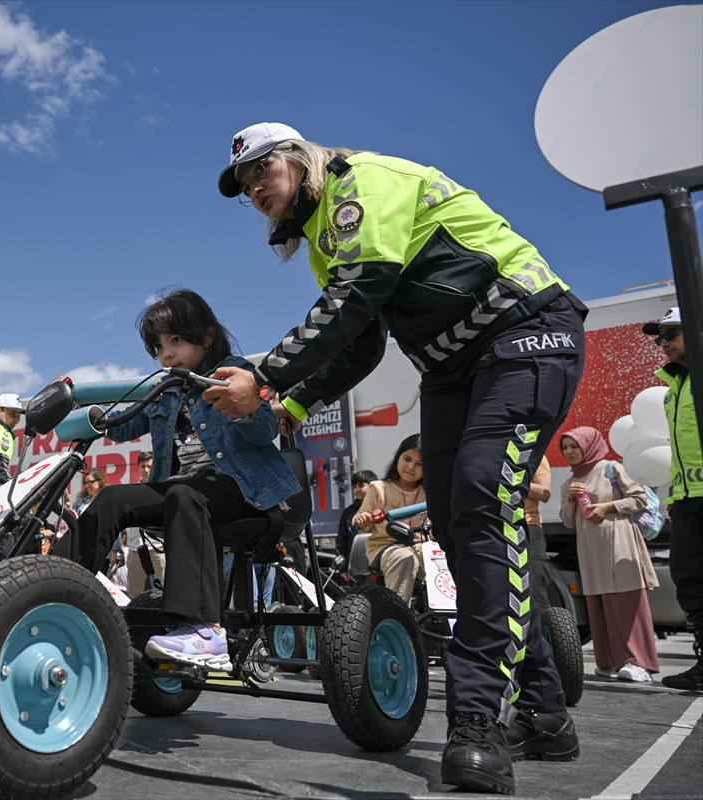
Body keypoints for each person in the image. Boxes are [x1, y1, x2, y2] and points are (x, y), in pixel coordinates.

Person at [203, 123, 584, 791]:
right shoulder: (325, 237)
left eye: (263, 168)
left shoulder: (360, 184)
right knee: (466, 540)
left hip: (527, 333)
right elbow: (360, 345)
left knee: (476, 509)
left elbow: (352, 304)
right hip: (450, 371)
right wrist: (289, 410)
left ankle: (475, 722)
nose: (255, 186)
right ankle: (547, 714)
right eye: (244, 184)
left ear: (299, 157)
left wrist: (265, 381)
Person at [53, 289, 301, 672]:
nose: (166, 354)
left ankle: (205, 630)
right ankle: (47, 586)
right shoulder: (164, 389)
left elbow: (265, 428)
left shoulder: (235, 373)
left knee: (184, 494)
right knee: (114, 499)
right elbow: (124, 423)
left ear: (206, 337)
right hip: (192, 491)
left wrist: (245, 405)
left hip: (247, 489)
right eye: (158, 346)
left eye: (176, 341)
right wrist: (79, 408)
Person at [557, 428, 659, 682]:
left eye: (574, 446)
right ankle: (607, 662)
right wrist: (570, 499)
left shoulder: (610, 468)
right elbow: (568, 522)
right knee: (599, 605)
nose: (569, 452)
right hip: (591, 552)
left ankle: (638, 663)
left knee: (626, 602)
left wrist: (609, 506)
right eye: (565, 448)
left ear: (589, 445)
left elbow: (640, 499)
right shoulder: (569, 483)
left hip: (620, 544)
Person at [644, 308, 703, 691]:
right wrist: (672, 494)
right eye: (659, 338)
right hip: (685, 500)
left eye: (672, 334)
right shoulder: (673, 388)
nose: (663, 343)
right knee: (689, 581)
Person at [352, 436, 426, 602]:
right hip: (386, 547)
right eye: (407, 459)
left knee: (446, 559)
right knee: (404, 558)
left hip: (422, 548)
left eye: (419, 464)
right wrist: (362, 519)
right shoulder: (379, 488)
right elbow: (360, 520)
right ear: (398, 456)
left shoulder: (429, 492)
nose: (411, 467)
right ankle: (398, 617)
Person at [126, 451, 166, 599]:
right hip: (135, 549)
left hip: (158, 548)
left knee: (163, 593)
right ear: (138, 467)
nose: (146, 470)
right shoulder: (133, 491)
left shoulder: (161, 489)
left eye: (149, 466)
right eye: (143, 466)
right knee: (133, 596)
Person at [336, 470, 378, 583]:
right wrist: (343, 568)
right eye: (354, 487)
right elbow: (342, 540)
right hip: (357, 565)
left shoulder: (381, 508)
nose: (357, 490)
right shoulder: (348, 512)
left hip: (379, 562)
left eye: (361, 485)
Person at [525, 455, 556, 608]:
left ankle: (541, 631)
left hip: (528, 526)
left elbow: (544, 492)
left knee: (534, 587)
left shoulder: (533, 453)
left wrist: (512, 482)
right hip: (494, 527)